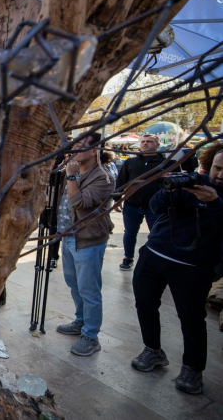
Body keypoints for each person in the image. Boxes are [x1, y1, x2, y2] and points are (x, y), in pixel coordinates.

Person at [131, 150, 223, 395]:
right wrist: (168, 191)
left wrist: (214, 202)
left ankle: (193, 368)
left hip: (194, 267)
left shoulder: (215, 195)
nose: (220, 174)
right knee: (144, 304)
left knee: (191, 318)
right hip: (154, 254)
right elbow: (155, 207)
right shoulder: (193, 181)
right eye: (217, 168)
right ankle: (153, 350)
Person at [56, 133, 115, 357]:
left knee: (89, 290)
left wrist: (71, 176)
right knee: (74, 284)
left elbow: (79, 203)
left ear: (93, 151)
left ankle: (91, 336)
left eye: (79, 146)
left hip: (87, 239)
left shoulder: (104, 178)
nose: (73, 150)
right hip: (68, 235)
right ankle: (81, 321)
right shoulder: (70, 171)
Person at [115, 134, 169, 271]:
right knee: (130, 233)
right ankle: (128, 257)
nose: (145, 143)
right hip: (131, 205)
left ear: (157, 145)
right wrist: (117, 199)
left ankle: (155, 259)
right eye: (143, 141)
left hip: (155, 207)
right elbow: (121, 181)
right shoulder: (131, 162)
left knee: (156, 234)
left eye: (149, 141)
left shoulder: (166, 163)